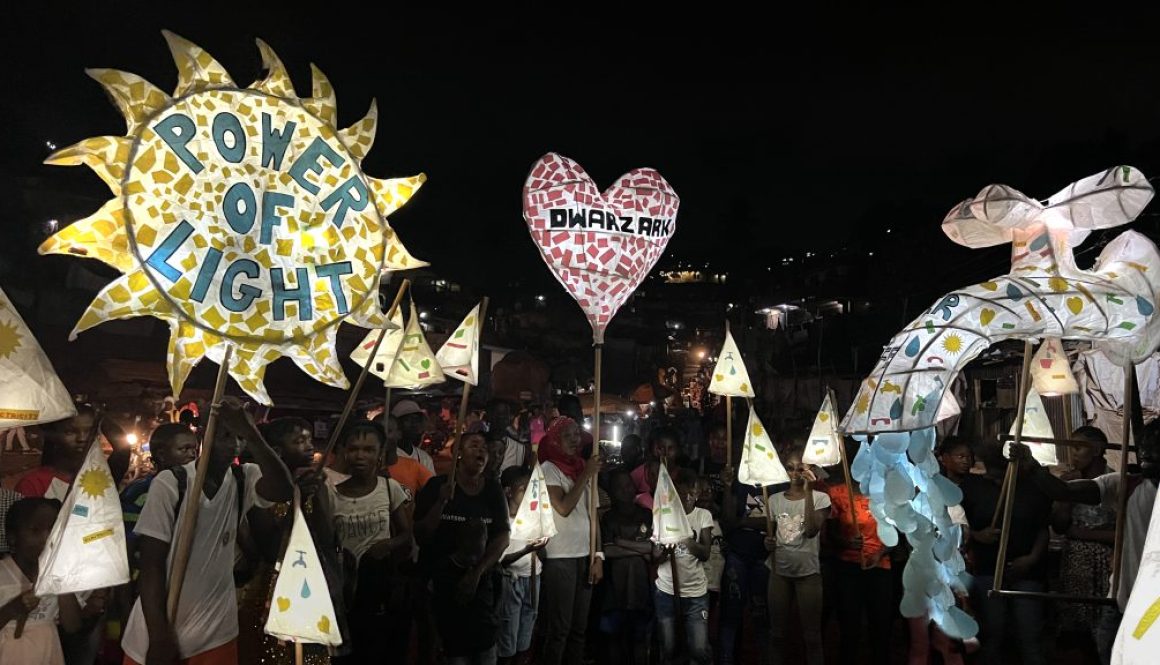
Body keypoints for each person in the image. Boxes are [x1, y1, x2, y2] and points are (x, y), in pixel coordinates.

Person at [120, 399, 293, 665]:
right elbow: (151, 564)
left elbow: (282, 490)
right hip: (162, 625)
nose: (234, 444)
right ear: (204, 434)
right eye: (225, 435)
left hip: (215, 629)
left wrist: (252, 433)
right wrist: (158, 637)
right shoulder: (172, 482)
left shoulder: (243, 477)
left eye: (240, 438)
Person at [1018, 420, 1160, 661]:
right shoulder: (1128, 484)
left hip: (1153, 604)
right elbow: (1064, 491)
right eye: (1144, 446)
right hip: (1122, 595)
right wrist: (1032, 466)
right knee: (1106, 649)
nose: (1146, 453)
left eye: (1155, 448)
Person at [238, 417, 344, 665]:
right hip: (272, 584)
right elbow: (270, 547)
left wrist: (315, 498)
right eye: (298, 441)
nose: (309, 446)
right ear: (276, 451)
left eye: (309, 439)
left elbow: (326, 537)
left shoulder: (318, 482)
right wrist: (297, 498)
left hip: (312, 580)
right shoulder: (261, 486)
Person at [317, 420, 411, 665]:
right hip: (343, 593)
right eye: (354, 448)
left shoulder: (389, 488)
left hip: (379, 591)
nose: (360, 455)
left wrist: (387, 546)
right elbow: (325, 540)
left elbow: (406, 534)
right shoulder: (329, 492)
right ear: (345, 451)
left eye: (369, 449)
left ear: (380, 454)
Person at [414, 432, 511, 658]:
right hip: (440, 585)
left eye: (484, 449)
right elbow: (421, 535)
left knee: (484, 651)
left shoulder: (493, 490)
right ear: (457, 453)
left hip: (480, 586)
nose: (481, 451)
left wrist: (477, 573)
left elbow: (502, 536)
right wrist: (440, 502)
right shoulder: (437, 485)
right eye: (474, 446)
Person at [961, 439, 1050, 665]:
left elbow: (1043, 528)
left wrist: (1031, 558)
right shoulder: (974, 487)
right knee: (992, 632)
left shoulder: (1032, 489)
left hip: (1027, 571)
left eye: (998, 474)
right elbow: (959, 525)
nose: (992, 478)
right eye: (990, 472)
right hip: (988, 569)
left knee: (1029, 635)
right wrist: (978, 535)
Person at [536, 417, 602, 665]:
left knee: (578, 629)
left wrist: (598, 556)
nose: (576, 440)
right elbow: (563, 507)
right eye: (568, 436)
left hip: (584, 555)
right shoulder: (548, 469)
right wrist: (586, 474)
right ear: (555, 441)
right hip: (559, 557)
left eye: (577, 434)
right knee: (559, 630)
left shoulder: (585, 468)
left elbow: (593, 516)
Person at [827, 440, 896, 665]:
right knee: (849, 626)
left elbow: (898, 532)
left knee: (882, 627)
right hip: (847, 568)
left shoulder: (885, 492)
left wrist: (882, 552)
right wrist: (845, 541)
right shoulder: (836, 493)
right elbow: (828, 534)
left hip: (880, 567)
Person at [765, 448, 830, 665]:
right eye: (790, 468)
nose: (795, 473)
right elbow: (771, 536)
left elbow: (811, 529)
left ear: (810, 469)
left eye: (800, 468)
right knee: (776, 635)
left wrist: (810, 490)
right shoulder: (773, 500)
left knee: (812, 637)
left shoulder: (821, 498)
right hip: (779, 571)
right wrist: (767, 542)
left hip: (809, 573)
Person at [0, 498, 84, 664]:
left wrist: (61, 584)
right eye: (36, 530)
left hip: (47, 653)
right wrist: (12, 609)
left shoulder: (58, 575)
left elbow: (72, 626)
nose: (47, 538)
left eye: (52, 530)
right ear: (12, 538)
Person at [1053, 427, 1116, 647]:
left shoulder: (1116, 482)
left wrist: (1084, 533)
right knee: (1075, 628)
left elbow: (1125, 531)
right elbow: (1061, 526)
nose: (1074, 455)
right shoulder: (1072, 483)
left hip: (1106, 562)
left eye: (1078, 448)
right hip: (1076, 562)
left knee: (1104, 626)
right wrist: (1064, 493)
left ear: (1097, 449)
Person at [653, 467, 713, 665]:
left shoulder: (702, 515)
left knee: (698, 649)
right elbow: (655, 556)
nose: (687, 497)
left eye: (692, 493)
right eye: (682, 493)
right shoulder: (663, 514)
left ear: (697, 493)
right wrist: (662, 548)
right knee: (668, 648)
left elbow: (705, 554)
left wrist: (684, 537)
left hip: (695, 593)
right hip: (667, 590)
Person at [120, 423, 199, 569]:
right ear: (162, 455)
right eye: (184, 449)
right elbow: (128, 544)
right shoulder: (139, 492)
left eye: (194, 449)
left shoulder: (195, 487)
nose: (192, 455)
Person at [599, 469, 654, 665]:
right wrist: (640, 550)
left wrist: (621, 542)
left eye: (629, 485)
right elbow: (608, 551)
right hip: (614, 588)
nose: (626, 490)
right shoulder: (608, 518)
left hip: (641, 588)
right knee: (614, 640)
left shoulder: (646, 514)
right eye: (620, 487)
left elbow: (653, 549)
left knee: (639, 639)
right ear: (612, 491)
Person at [18, 405, 130, 500]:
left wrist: (99, 417)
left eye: (90, 431)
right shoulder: (34, 483)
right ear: (54, 437)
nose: (82, 438)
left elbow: (122, 449)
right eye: (70, 432)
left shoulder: (101, 477)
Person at [430, 519, 501, 665]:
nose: (474, 556)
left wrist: (493, 623)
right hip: (456, 642)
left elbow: (499, 593)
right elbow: (434, 606)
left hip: (484, 640)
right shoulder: (444, 569)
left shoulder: (489, 566)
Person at [497, 467, 549, 665]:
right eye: (523, 488)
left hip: (533, 577)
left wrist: (541, 546)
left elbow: (541, 552)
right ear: (509, 491)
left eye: (531, 488)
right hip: (510, 581)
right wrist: (526, 550)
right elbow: (501, 560)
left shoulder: (532, 518)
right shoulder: (503, 522)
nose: (528, 493)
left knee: (527, 628)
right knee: (508, 630)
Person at [377, 414, 433, 497]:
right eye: (378, 431)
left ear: (399, 434)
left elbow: (433, 490)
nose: (384, 436)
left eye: (389, 431)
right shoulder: (363, 466)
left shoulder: (413, 466)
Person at [487, 399, 530, 475]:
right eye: (497, 415)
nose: (499, 420)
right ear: (490, 417)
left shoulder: (520, 449)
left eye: (503, 417)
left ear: (508, 419)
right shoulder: (480, 444)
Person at [392, 400, 436, 474]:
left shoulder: (425, 459)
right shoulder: (388, 457)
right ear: (397, 424)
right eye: (407, 420)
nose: (413, 424)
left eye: (416, 420)